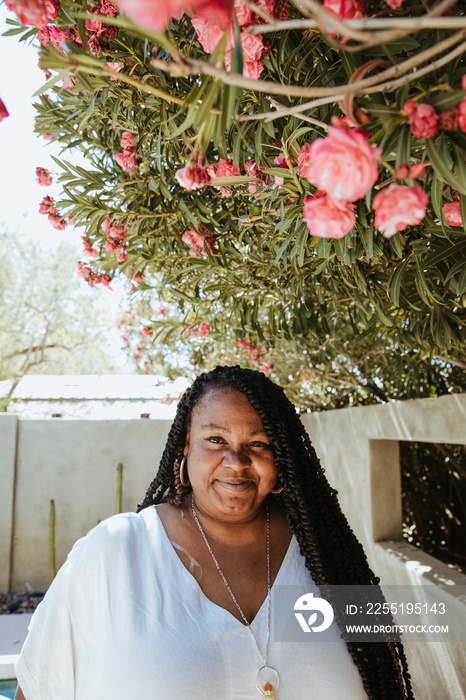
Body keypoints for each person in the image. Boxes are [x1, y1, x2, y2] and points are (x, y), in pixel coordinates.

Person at [14, 365, 414, 699]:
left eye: (258, 443)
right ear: (186, 447)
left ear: (281, 459)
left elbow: (386, 681)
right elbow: (35, 689)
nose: (235, 461)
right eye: (216, 439)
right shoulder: (113, 553)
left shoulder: (329, 556)